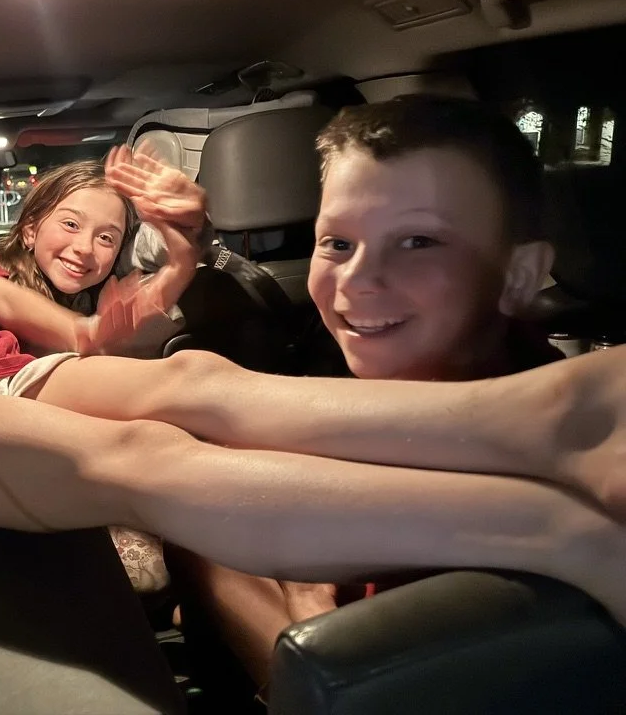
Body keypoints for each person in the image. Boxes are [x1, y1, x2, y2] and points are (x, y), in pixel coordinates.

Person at [0, 60, 626, 637]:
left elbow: (1, 298)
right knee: (139, 457)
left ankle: (551, 415)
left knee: (197, 378)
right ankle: (556, 532)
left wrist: (89, 334)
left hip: (6, 372)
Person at [162, 94, 571, 702]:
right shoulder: (477, 373)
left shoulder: (512, 446)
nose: (357, 280)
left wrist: (304, 599)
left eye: (419, 243)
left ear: (518, 275)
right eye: (337, 244)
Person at [0, 158, 200, 592]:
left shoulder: (94, 294)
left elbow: (151, 283)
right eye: (70, 224)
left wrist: (185, 248)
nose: (85, 248)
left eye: (106, 238)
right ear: (29, 229)